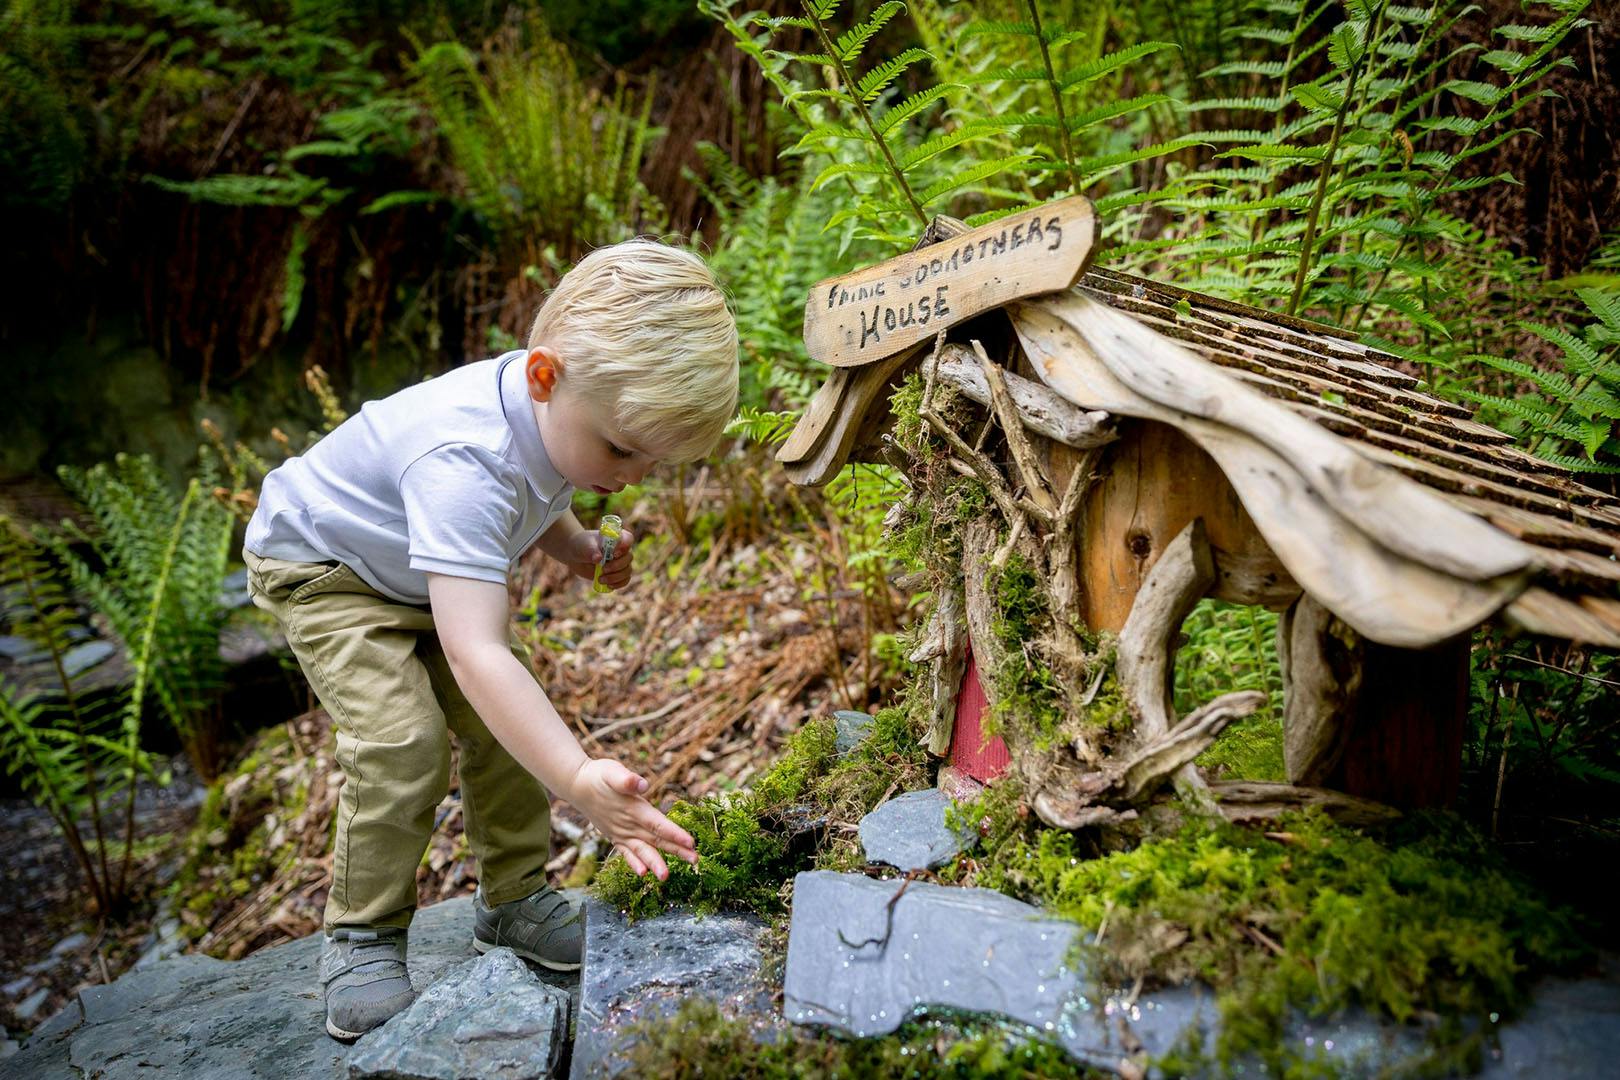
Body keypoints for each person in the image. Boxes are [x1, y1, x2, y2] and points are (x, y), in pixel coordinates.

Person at [242, 239, 738, 1039]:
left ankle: (513, 900)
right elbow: (476, 650)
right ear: (544, 376)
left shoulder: (552, 406)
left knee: (506, 725)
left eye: (652, 460)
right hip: (331, 568)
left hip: (412, 566)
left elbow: (538, 487)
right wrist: (577, 779)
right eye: (621, 449)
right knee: (403, 739)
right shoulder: (464, 461)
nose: (631, 477)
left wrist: (576, 547)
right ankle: (361, 934)